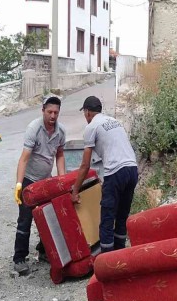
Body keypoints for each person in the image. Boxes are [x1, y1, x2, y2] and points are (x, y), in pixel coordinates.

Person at [71, 96, 138, 254]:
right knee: (121, 216)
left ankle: (108, 263)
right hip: (132, 169)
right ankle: (121, 256)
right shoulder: (114, 122)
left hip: (116, 172)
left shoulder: (92, 127)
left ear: (87, 112)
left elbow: (85, 165)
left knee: (107, 219)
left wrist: (75, 191)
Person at [13, 95, 66, 275]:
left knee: (50, 216)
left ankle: (43, 251)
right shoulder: (33, 129)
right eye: (50, 112)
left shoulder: (61, 132)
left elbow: (59, 155)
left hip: (46, 180)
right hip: (29, 180)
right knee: (25, 219)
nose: (53, 115)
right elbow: (24, 158)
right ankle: (19, 258)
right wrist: (19, 185)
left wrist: (62, 180)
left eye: (56, 112)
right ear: (43, 110)